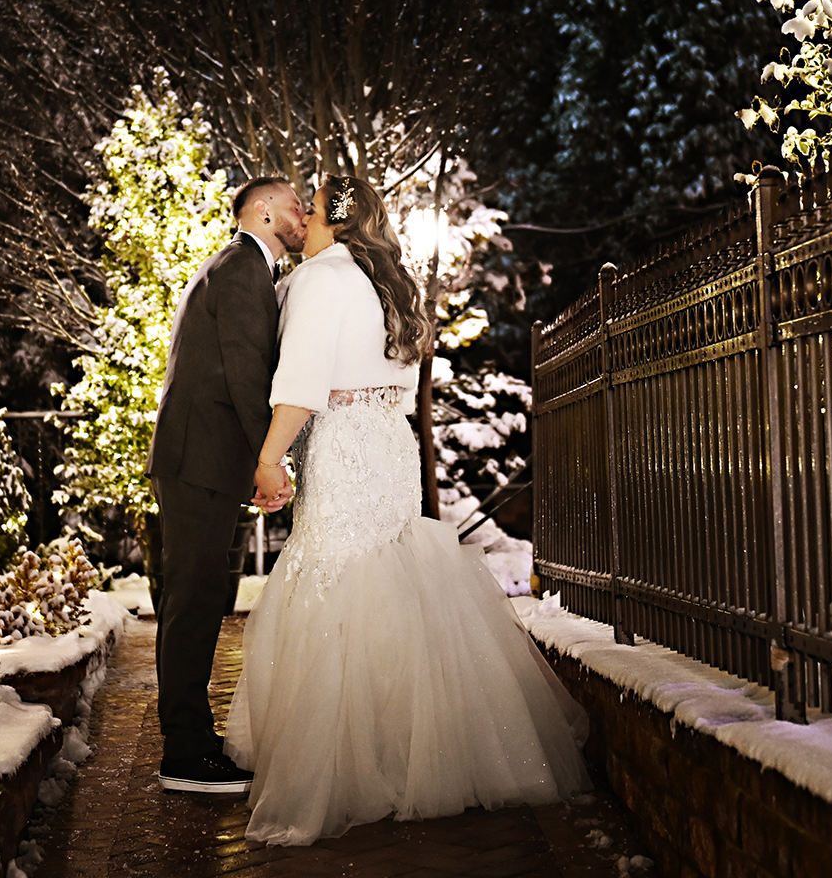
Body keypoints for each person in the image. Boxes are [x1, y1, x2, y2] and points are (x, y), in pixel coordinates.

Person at [224, 174, 591, 845]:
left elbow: (302, 382)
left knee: (336, 585)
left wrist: (271, 458)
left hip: (342, 444)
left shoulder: (317, 281)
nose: (300, 218)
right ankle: (412, 753)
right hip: (390, 443)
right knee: (391, 582)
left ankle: (347, 769)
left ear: (335, 223)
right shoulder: (391, 284)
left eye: (313, 210)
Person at [147, 175, 307, 794]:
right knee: (192, 604)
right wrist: (268, 463)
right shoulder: (243, 270)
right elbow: (245, 380)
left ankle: (191, 737)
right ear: (263, 211)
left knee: (201, 601)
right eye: (295, 205)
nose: (302, 215)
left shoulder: (240, 268)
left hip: (204, 463)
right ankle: (183, 753)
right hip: (199, 463)